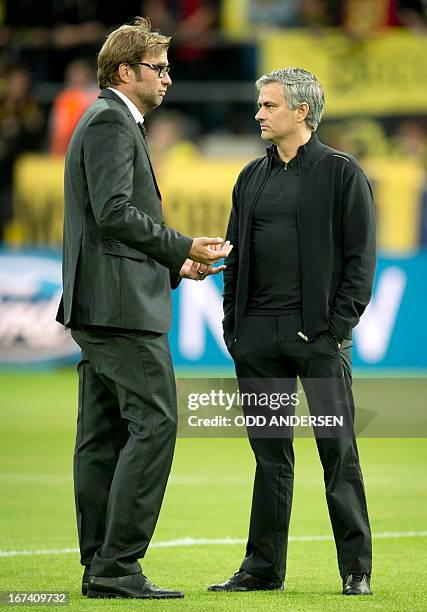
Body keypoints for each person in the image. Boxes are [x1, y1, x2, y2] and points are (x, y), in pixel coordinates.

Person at [56, 16, 232, 600]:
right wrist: (181, 245)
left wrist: (173, 264)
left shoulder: (107, 119)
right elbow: (114, 212)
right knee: (155, 423)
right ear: (125, 71)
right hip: (119, 309)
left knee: (102, 436)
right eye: (158, 69)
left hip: (103, 303)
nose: (168, 80)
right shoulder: (110, 120)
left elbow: (114, 222)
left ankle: (99, 565)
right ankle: (117, 565)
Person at [209, 68, 375, 596]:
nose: (258, 114)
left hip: (318, 341)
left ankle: (356, 571)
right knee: (270, 457)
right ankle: (262, 569)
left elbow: (360, 261)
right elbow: (235, 257)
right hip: (257, 341)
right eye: (259, 105)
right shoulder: (250, 178)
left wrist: (335, 328)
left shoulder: (341, 172)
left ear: (301, 111)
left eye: (268, 106)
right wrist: (234, 324)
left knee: (337, 452)